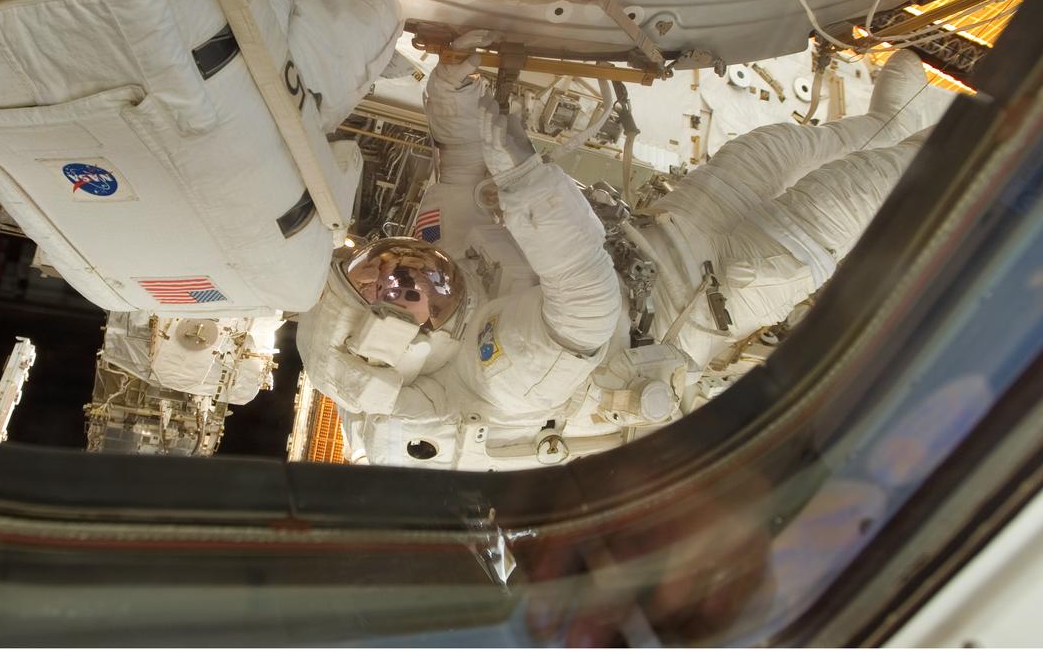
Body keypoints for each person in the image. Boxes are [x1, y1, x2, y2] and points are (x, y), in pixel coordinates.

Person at [296, 34, 944, 470]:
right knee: (858, 193)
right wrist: (525, 184)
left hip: (658, 240)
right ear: (407, 344)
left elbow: (458, 161)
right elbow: (585, 303)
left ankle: (887, 122)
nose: (400, 268)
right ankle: (975, 141)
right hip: (713, 296)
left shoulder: (439, 248)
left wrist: (454, 91)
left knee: (770, 151)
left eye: (377, 264)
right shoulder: (494, 370)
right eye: (394, 291)